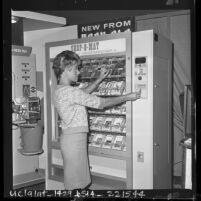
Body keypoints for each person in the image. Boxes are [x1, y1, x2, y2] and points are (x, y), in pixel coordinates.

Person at [52, 50, 141, 190]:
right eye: (76, 68)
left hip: (71, 139)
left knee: (75, 180)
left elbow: (82, 94)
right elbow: (101, 103)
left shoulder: (61, 89)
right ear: (66, 69)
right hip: (74, 142)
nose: (79, 72)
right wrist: (126, 97)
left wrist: (99, 79)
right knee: (76, 183)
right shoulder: (70, 91)